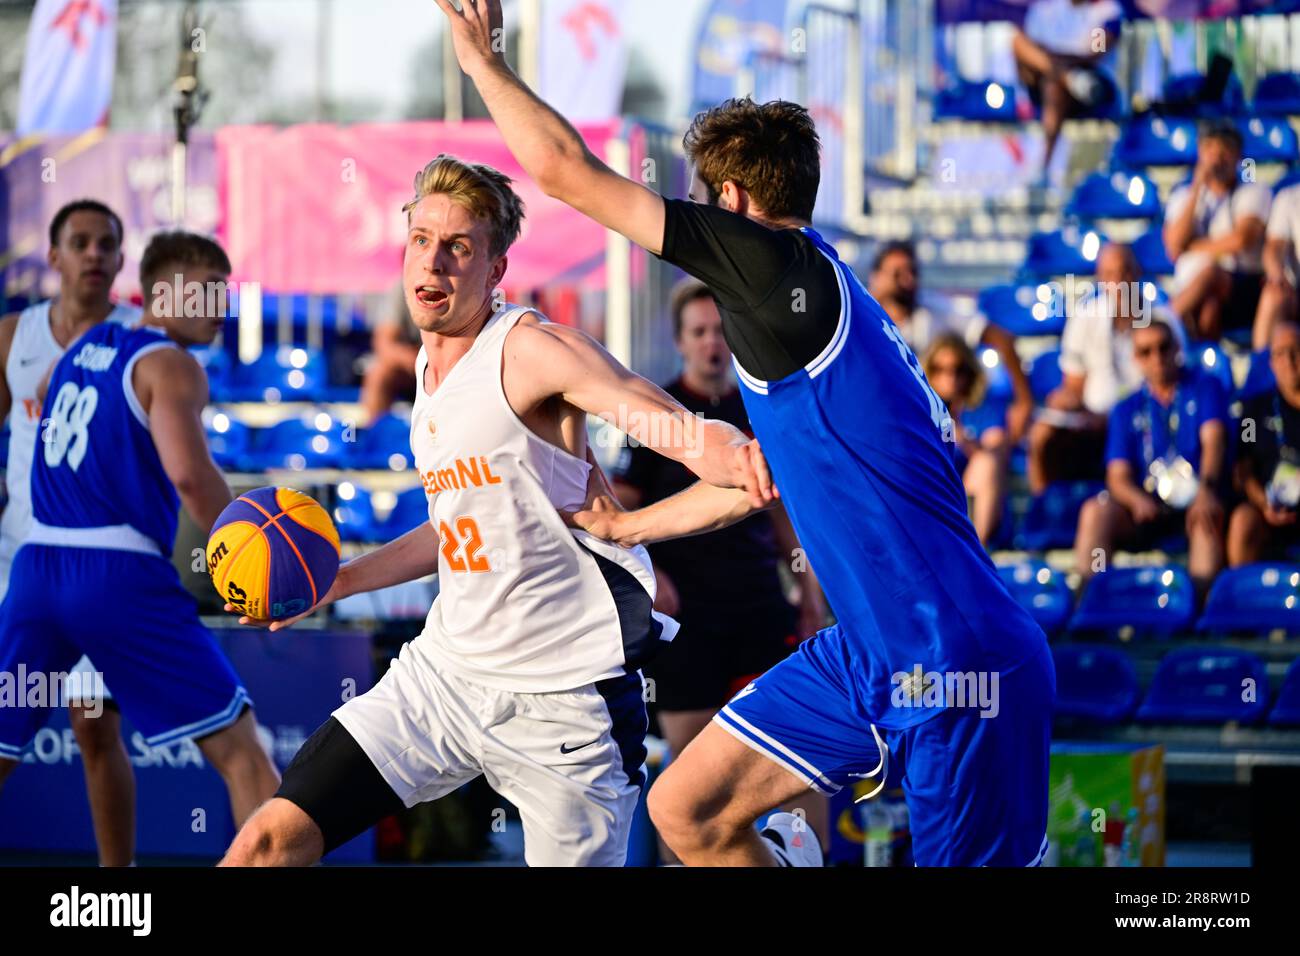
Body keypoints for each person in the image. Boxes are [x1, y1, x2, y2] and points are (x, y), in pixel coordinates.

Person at [437, 0, 1054, 867]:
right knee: (689, 810)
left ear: (731, 202)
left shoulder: (771, 269)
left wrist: (481, 62)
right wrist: (626, 528)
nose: (691, 224)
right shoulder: (810, 310)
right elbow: (757, 478)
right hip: (871, 654)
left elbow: (564, 171)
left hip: (953, 663)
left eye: (700, 204)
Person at [218, 155, 769, 868]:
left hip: (564, 703)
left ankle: (781, 851)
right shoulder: (428, 367)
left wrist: (634, 524)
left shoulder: (536, 353)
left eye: (459, 247)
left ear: (496, 267)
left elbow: (717, 460)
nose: (435, 261)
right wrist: (345, 580)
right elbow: (459, 523)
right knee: (270, 840)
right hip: (446, 676)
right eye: (422, 239)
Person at [0, 231, 282, 834]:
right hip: (117, 574)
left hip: (36, 567)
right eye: (208, 291)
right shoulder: (171, 365)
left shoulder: (80, 348)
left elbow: (47, 393)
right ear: (167, 291)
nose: (221, 308)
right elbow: (190, 479)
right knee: (245, 757)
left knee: (3, 747)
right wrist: (257, 558)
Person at [612, 278, 829, 858]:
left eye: (719, 332)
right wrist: (651, 578)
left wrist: (808, 590)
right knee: (689, 781)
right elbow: (619, 512)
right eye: (699, 332)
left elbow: (784, 516)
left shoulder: (758, 408)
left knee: (799, 765)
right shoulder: (658, 415)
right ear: (681, 342)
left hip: (758, 606)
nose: (712, 343)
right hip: (688, 624)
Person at [0, 200, 138, 866]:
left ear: (119, 259)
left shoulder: (142, 338)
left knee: (95, 727)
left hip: (98, 568)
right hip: (19, 564)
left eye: (105, 244)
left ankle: (120, 885)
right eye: (78, 242)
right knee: (5, 729)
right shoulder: (13, 336)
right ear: (53, 257)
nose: (92, 254)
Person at [1074, 316, 1229, 596]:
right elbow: (1117, 476)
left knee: (1206, 517)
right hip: (1148, 505)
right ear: (1136, 358)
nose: (1157, 357)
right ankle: (1090, 597)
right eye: (1146, 351)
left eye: (1163, 347)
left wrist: (1206, 489)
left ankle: (1201, 610)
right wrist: (1136, 500)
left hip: (1195, 498)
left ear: (1176, 349)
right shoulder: (1126, 407)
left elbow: (1214, 442)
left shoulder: (1206, 386)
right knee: (1095, 513)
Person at [1027, 242, 1186, 494]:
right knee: (1041, 435)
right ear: (1101, 280)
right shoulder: (1085, 317)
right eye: (1111, 275)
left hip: (1146, 419)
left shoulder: (1164, 323)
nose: (1119, 281)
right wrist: (1066, 401)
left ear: (1138, 273)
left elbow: (1171, 384)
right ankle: (1046, 515)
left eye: (1125, 272)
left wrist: (1115, 416)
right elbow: (1074, 386)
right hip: (1092, 421)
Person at [869, 240, 1033, 444]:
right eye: (897, 273)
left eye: (912, 271)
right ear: (876, 278)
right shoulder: (860, 319)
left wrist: (1023, 401)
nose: (908, 280)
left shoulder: (935, 311)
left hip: (931, 422)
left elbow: (1000, 337)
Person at [1163, 119, 1271, 342]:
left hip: (1243, 285)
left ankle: (1165, 321)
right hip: (1199, 290)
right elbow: (1174, 246)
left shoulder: (1253, 191)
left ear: (1238, 156)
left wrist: (1192, 247)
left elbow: (1242, 240)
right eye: (1210, 149)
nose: (1217, 158)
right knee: (1209, 307)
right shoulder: (1183, 196)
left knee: (1212, 274)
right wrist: (1196, 189)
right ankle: (1204, 361)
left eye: (1225, 150)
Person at [1011, 0, 1123, 178]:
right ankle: (1067, 78)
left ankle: (1042, 165)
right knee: (1021, 44)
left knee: (1054, 87)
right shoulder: (1045, 8)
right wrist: (1059, 69)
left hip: (1093, 87)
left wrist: (1055, 61)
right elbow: (1023, 45)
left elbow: (1095, 53)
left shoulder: (1107, 11)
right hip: (1051, 82)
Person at [922, 334, 1008, 547]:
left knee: (986, 463)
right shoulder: (921, 411)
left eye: (958, 369)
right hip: (935, 495)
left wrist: (959, 434)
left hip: (973, 497)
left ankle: (977, 548)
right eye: (939, 369)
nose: (950, 377)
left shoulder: (982, 410)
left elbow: (997, 449)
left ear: (969, 372)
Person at [1228, 319, 1300, 566]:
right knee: (1242, 522)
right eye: (1280, 353)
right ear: (1271, 362)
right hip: (1268, 509)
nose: (1290, 362)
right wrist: (1263, 502)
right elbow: (1243, 466)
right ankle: (1240, 596)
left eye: (1296, 351)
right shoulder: (1253, 412)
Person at [359, 280, 422, 423]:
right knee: (379, 374)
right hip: (415, 366)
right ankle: (375, 436)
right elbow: (384, 344)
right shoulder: (401, 288)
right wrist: (420, 362)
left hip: (453, 366)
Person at [1252, 179, 1300, 352]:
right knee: (1273, 294)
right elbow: (1274, 248)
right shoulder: (1289, 198)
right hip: (1295, 292)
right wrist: (1278, 277)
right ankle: (1261, 369)